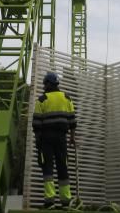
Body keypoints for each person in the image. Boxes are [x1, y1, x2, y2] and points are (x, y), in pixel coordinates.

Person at [32, 71, 77, 209]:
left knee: (48, 168)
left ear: (48, 84)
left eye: (45, 84)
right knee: (63, 167)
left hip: (46, 138)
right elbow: (72, 121)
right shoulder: (67, 98)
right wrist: (72, 138)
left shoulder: (42, 99)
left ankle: (50, 201)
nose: (44, 87)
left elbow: (36, 123)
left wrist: (38, 140)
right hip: (61, 138)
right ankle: (66, 201)